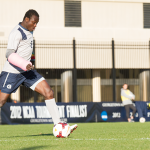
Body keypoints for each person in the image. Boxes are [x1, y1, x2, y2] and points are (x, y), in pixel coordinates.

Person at [0, 9, 77, 134]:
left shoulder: (30, 31)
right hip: (12, 72)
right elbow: (9, 54)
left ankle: (58, 126)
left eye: (37, 23)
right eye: (34, 22)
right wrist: (24, 63)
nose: (35, 25)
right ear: (26, 20)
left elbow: (29, 49)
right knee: (1, 101)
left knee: (49, 92)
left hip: (27, 72)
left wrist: (32, 61)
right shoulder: (16, 32)